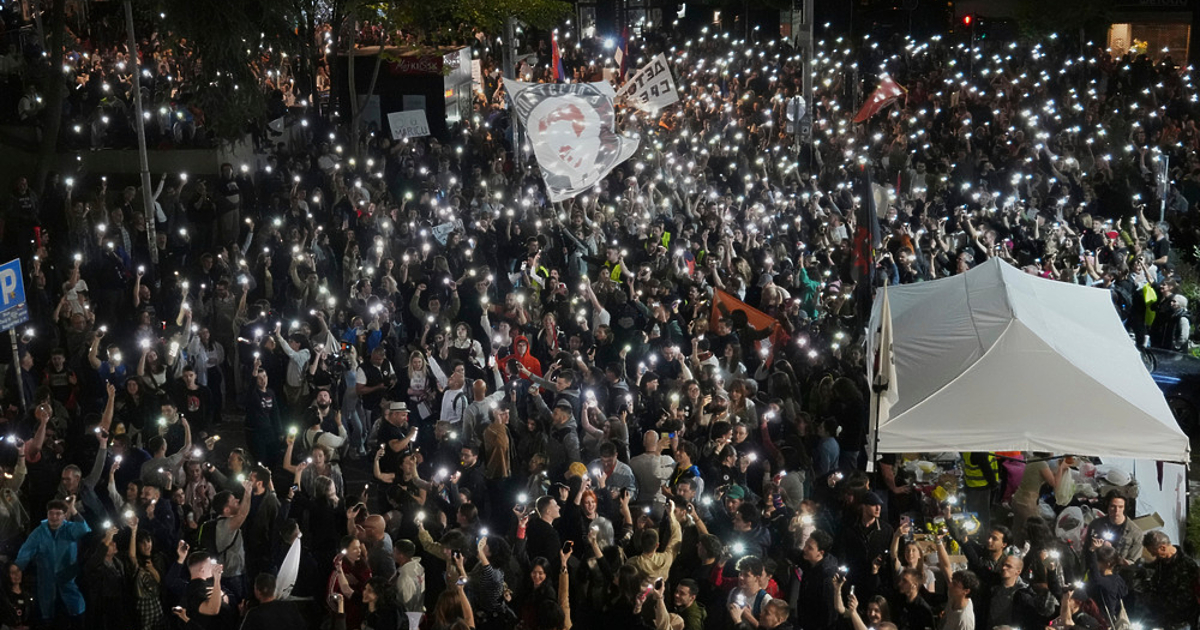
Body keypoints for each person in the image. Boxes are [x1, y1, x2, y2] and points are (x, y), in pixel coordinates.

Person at [14, 498, 90, 628]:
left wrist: (73, 509)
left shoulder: (69, 528)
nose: (54, 517)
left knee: (75, 616)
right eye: (51, 513)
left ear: (64, 515)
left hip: (68, 583)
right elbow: (25, 552)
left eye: (58, 513)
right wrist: (15, 571)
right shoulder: (39, 532)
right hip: (47, 585)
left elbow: (84, 529)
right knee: (49, 620)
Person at [1140, 530, 1200, 629]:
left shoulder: (1188, 566)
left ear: (1163, 548)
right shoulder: (1159, 564)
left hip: (1181, 620)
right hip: (1162, 618)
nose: (1154, 556)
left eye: (1155, 553)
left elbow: (1187, 597)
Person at [237, 573, 306, 630]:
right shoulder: (290, 606)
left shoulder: (254, 614)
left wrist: (242, 615)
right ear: (274, 589)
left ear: (258, 591)